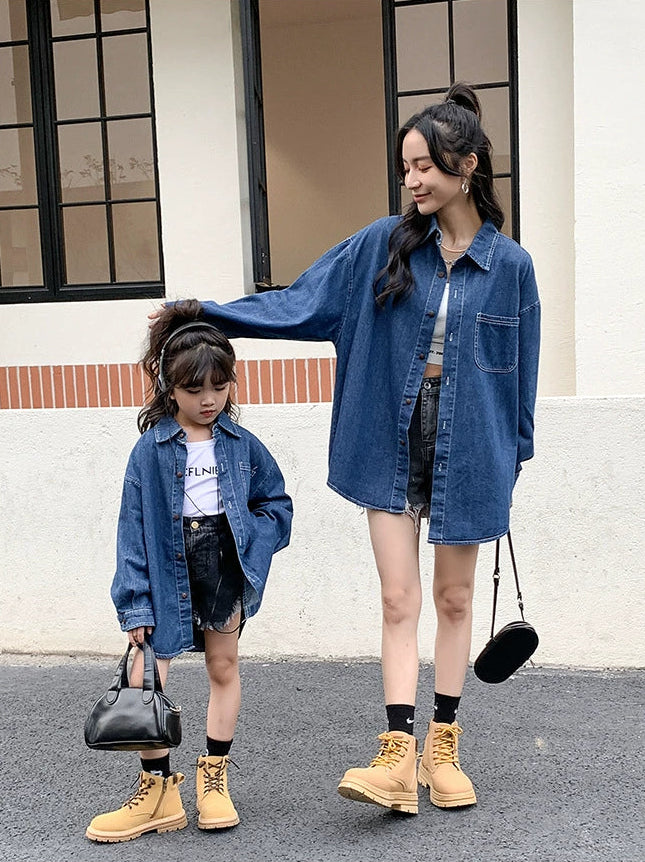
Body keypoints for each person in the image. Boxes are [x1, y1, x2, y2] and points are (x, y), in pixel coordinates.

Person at [152, 82, 540, 815]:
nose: (412, 181)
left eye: (423, 165)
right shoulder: (379, 247)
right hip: (387, 442)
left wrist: (508, 463)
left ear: (466, 165)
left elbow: (519, 385)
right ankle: (395, 754)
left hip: (473, 451)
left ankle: (442, 746)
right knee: (399, 598)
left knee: (454, 599)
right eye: (404, 168)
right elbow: (300, 301)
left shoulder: (511, 268)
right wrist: (207, 313)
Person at [86, 300, 293, 842]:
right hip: (165, 568)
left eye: (219, 387)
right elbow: (132, 529)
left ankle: (214, 778)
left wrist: (255, 543)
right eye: (195, 389)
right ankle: (158, 789)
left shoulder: (242, 446)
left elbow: (277, 504)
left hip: (223, 565)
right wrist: (133, 601)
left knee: (224, 670)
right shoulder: (149, 452)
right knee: (146, 674)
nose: (208, 400)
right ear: (168, 387)